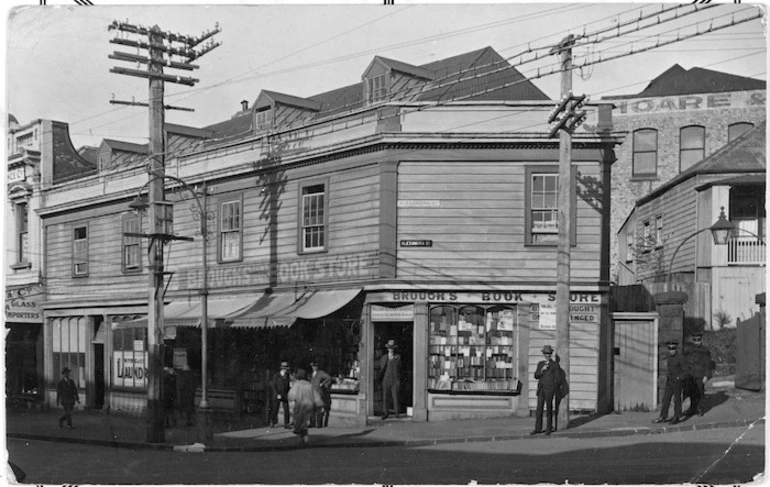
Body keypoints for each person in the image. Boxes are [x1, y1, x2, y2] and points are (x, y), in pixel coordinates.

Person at [652, 339, 690, 425]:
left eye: (673, 348)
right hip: (669, 382)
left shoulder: (681, 358)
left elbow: (686, 371)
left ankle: (677, 416)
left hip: (677, 382)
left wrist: (679, 377)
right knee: (665, 399)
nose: (671, 350)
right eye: (669, 348)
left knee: (677, 400)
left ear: (676, 348)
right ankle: (663, 416)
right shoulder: (669, 357)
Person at [531, 345, 562, 435]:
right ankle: (537, 428)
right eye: (546, 353)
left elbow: (559, 379)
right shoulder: (540, 364)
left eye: (549, 353)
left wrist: (553, 387)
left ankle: (549, 428)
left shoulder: (555, 365)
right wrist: (541, 370)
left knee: (549, 409)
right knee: (539, 409)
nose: (547, 355)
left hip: (549, 389)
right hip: (541, 389)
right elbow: (536, 375)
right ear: (543, 354)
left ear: (551, 354)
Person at [288, 368, 324, 447]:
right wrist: (319, 405)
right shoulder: (310, 385)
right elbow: (316, 396)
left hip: (300, 405)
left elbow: (291, 396)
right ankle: (305, 438)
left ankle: (300, 439)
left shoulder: (297, 385)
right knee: (304, 422)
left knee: (298, 422)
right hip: (309, 406)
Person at [684, 332, 713, 417]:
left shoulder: (705, 351)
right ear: (692, 340)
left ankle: (699, 409)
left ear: (701, 340)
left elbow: (708, 364)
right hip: (692, 375)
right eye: (694, 340)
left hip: (700, 375)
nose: (696, 342)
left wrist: (706, 376)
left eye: (698, 340)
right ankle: (692, 408)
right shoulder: (690, 349)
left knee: (700, 393)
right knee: (692, 393)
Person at [378, 340, 402, 420]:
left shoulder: (397, 357)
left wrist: (398, 379)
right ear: (387, 349)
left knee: (395, 396)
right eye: (389, 348)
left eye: (392, 348)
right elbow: (381, 369)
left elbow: (400, 369)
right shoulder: (384, 358)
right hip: (386, 379)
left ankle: (396, 412)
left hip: (395, 379)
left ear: (394, 349)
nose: (391, 349)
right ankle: (385, 413)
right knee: (385, 396)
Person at [309, 360, 332, 428]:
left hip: (318, 392)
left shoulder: (320, 373)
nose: (314, 368)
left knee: (318, 408)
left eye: (315, 366)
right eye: (313, 366)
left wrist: (323, 384)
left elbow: (328, 377)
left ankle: (318, 423)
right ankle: (312, 423)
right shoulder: (312, 373)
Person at [270, 361, 292, 428]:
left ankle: (286, 423)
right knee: (275, 409)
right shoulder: (276, 375)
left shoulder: (287, 376)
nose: (285, 370)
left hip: (284, 394)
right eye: (284, 368)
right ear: (282, 369)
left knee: (286, 409)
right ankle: (272, 421)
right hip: (277, 394)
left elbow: (287, 385)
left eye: (286, 368)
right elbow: (273, 385)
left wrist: (288, 393)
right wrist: (277, 394)